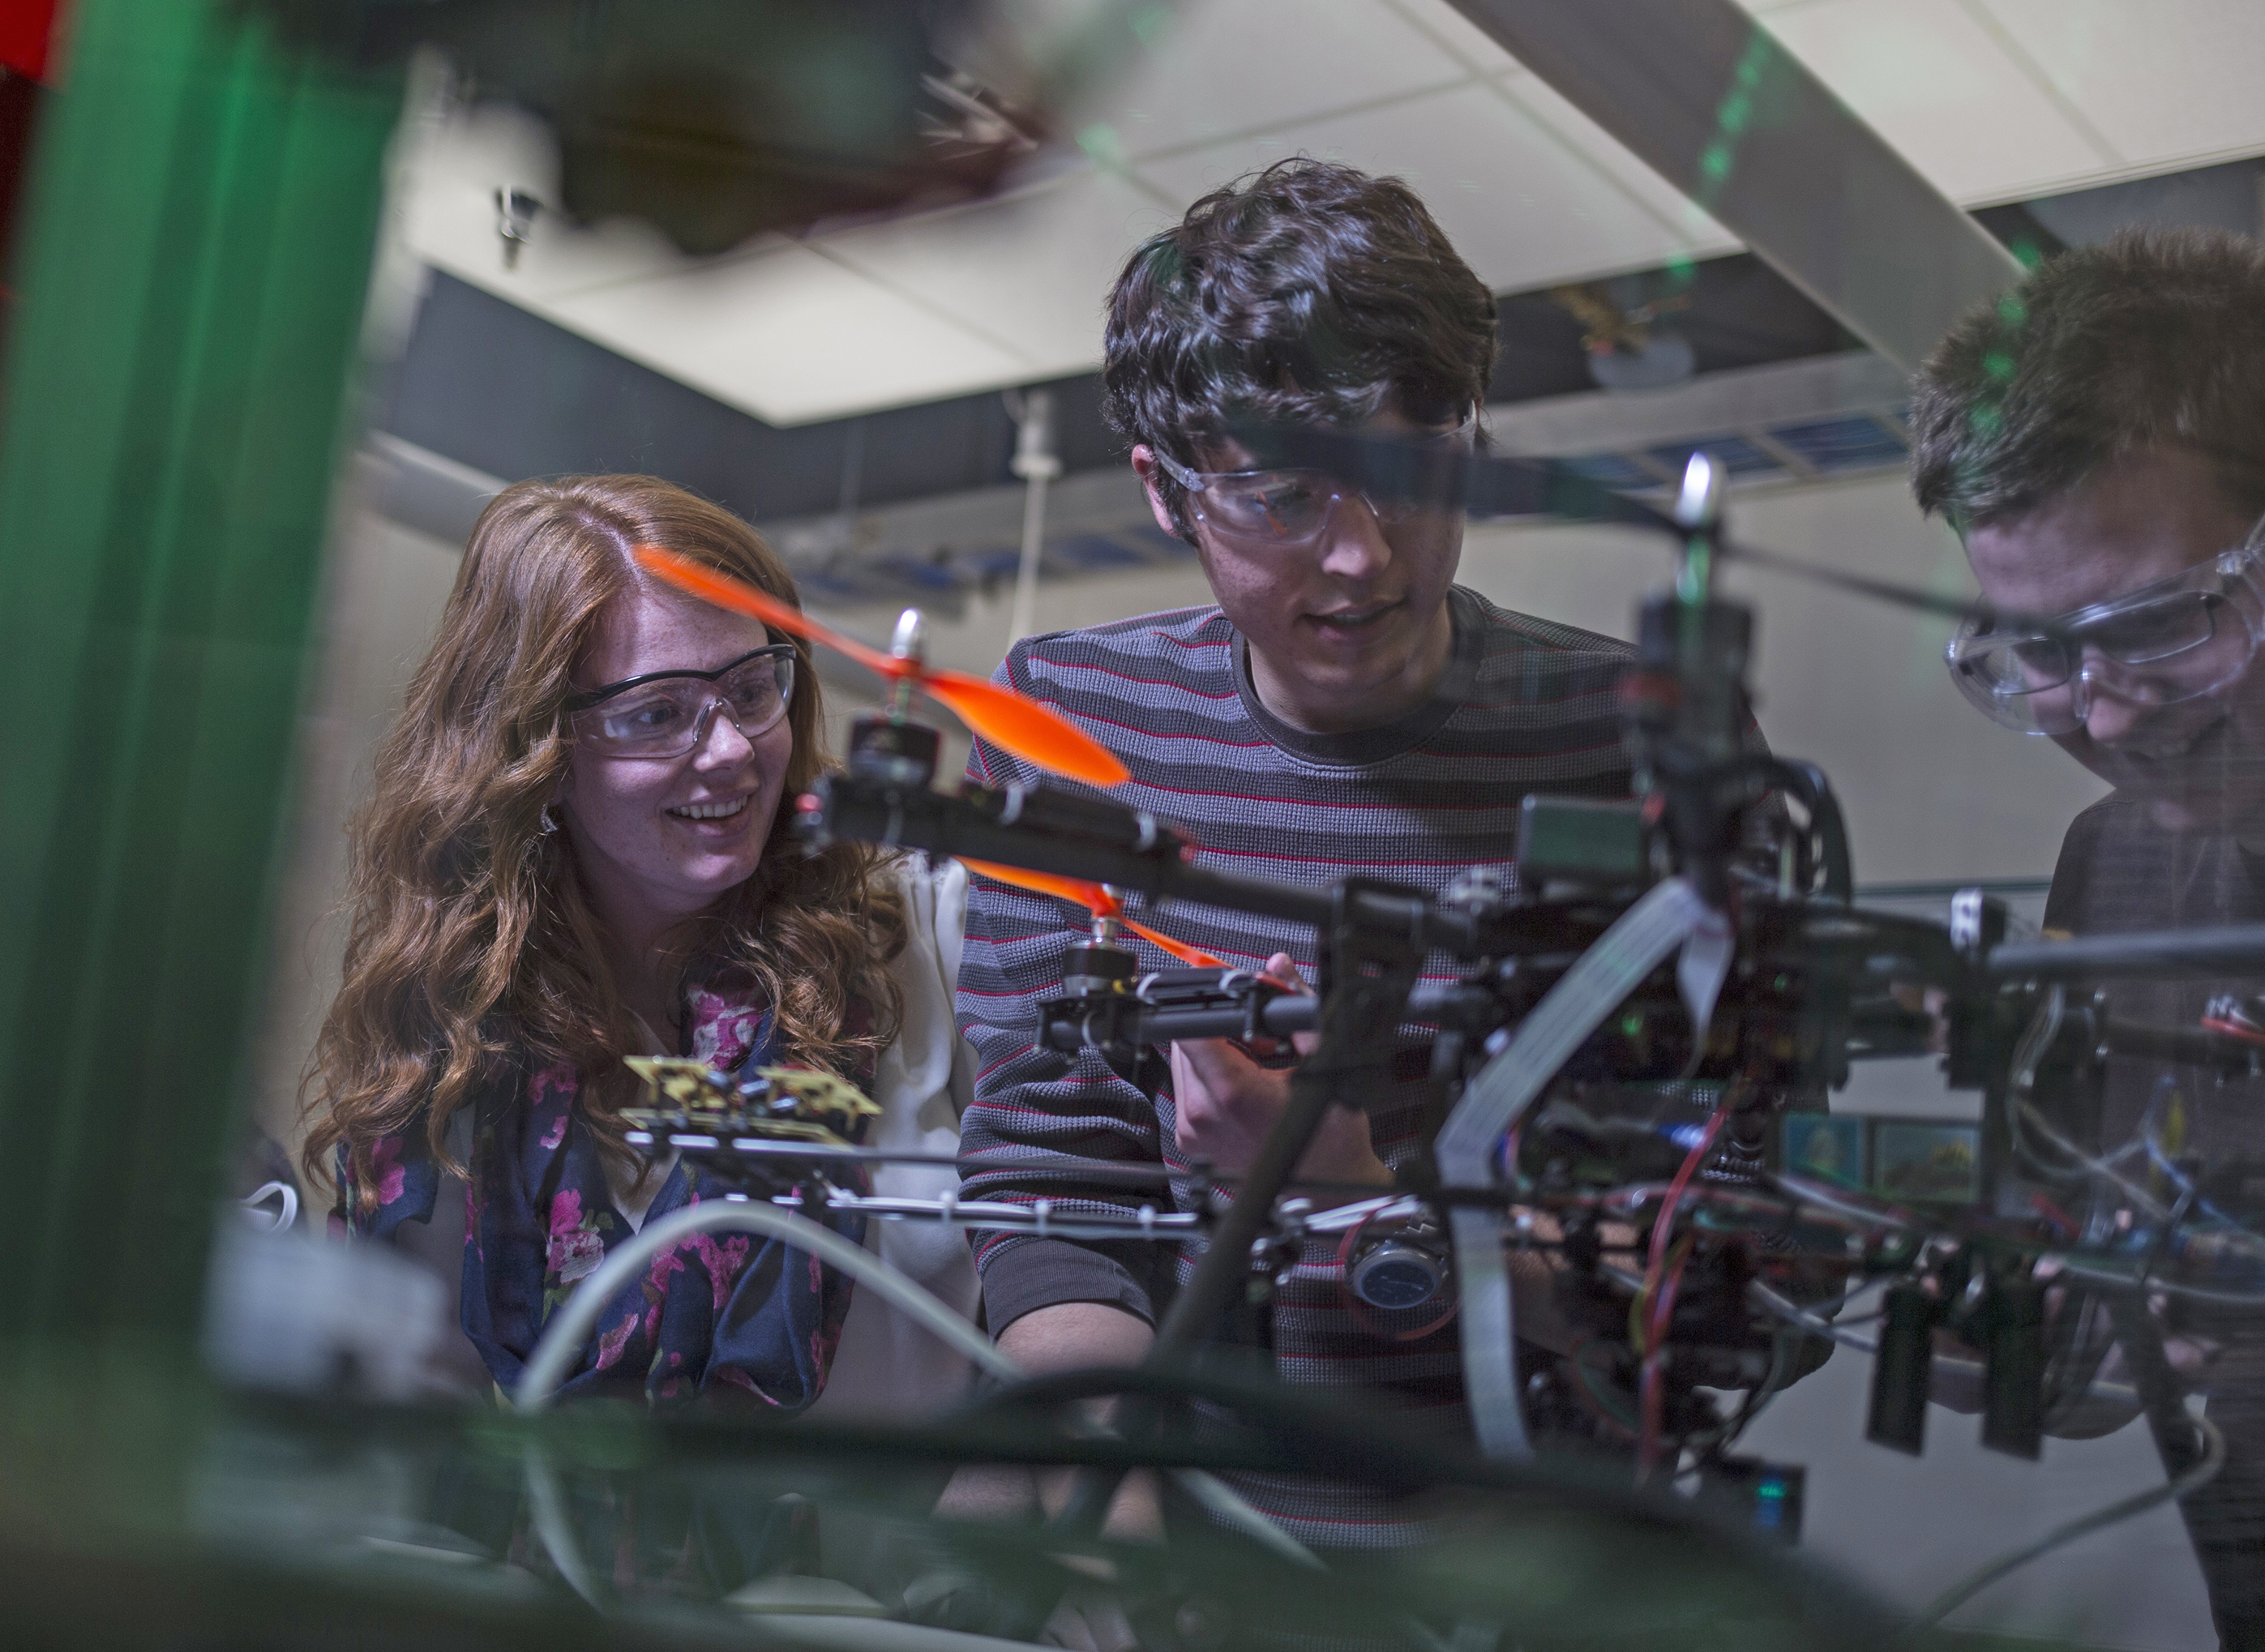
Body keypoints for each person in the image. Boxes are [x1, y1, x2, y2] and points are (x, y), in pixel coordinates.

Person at [953, 160, 1654, 1546]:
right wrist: (1107, 1490)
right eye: (1282, 498)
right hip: (1196, 1536)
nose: (1362, 559)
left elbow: (1727, 1256)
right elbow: (1054, 1176)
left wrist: (1348, 1188)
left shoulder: (1632, 747)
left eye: (1414, 475)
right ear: (1167, 491)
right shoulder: (1070, 726)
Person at [1912, 228, 2265, 1650]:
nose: (2108, 716)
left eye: (2172, 620)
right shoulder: (2111, 865)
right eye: (2043, 655)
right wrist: (1945, 1307)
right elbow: (2066, 1361)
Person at [302, 473, 979, 1418]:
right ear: (534, 750)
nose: (734, 750)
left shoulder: (924, 937)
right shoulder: (455, 1027)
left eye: (751, 689)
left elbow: (1086, 1262)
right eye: (658, 712)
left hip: (887, 1565)